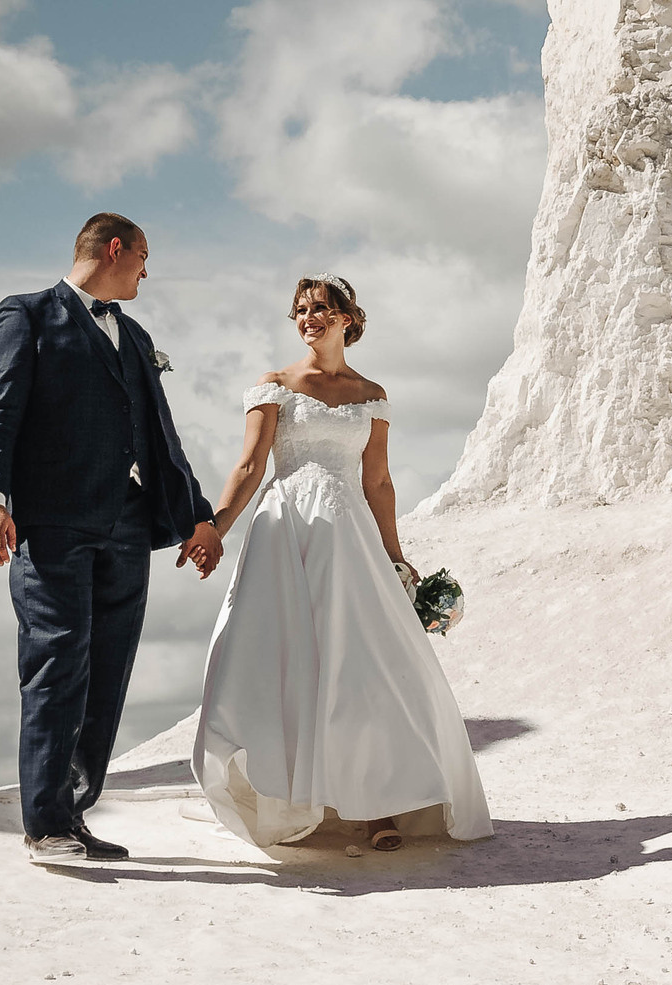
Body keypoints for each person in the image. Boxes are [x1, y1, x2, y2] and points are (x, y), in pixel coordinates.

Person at [191, 276, 492, 852]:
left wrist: (398, 558)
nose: (310, 319)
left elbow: (377, 480)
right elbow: (252, 466)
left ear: (349, 319)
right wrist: (216, 528)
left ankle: (376, 810)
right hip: (287, 536)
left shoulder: (370, 394)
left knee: (365, 668)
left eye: (322, 310)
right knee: (289, 664)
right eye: (301, 310)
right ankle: (295, 798)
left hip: (352, 540)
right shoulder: (275, 385)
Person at [0, 213, 224, 863]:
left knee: (105, 677)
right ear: (116, 249)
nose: (148, 270)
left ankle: (73, 813)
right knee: (57, 665)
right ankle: (46, 824)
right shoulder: (25, 315)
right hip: (52, 523)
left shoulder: (134, 336)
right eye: (144, 257)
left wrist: (195, 516)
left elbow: (159, 435)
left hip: (128, 528)